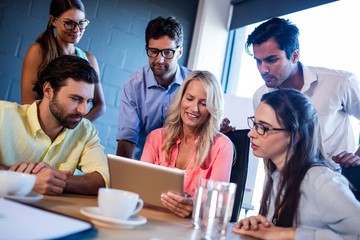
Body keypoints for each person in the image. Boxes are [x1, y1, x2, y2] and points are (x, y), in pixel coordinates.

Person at [232, 89, 360, 239]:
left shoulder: (320, 180)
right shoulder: (278, 177)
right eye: (254, 124)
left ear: (296, 135)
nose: (251, 133)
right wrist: (261, 226)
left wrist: (290, 233)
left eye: (264, 128)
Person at [246, 17, 360, 169]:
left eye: (271, 60)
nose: (263, 69)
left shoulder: (340, 82)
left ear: (294, 56)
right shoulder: (260, 97)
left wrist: (357, 160)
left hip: (335, 179)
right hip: (284, 183)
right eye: (258, 61)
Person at [0, 55, 109, 196]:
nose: (83, 110)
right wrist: (27, 181)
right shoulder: (3, 114)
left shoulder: (86, 131)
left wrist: (53, 180)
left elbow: (104, 179)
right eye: (76, 99)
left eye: (88, 101)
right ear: (48, 90)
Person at [140, 71, 234, 218]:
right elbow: (140, 189)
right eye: (189, 99)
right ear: (181, 99)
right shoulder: (156, 138)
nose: (194, 109)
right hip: (151, 220)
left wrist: (195, 207)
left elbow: (218, 206)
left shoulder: (222, 146)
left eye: (203, 103)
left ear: (212, 108)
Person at [116, 16, 191, 160]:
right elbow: (128, 137)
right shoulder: (132, 86)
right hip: (143, 162)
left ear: (179, 53)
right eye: (153, 51)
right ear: (147, 49)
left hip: (182, 165)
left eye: (167, 52)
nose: (159, 60)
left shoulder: (194, 84)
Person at [21, 0, 105, 122]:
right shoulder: (38, 51)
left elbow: (100, 106)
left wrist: (75, 129)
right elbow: (28, 103)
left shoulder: (89, 60)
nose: (76, 30)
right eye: (69, 23)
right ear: (53, 20)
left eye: (81, 23)